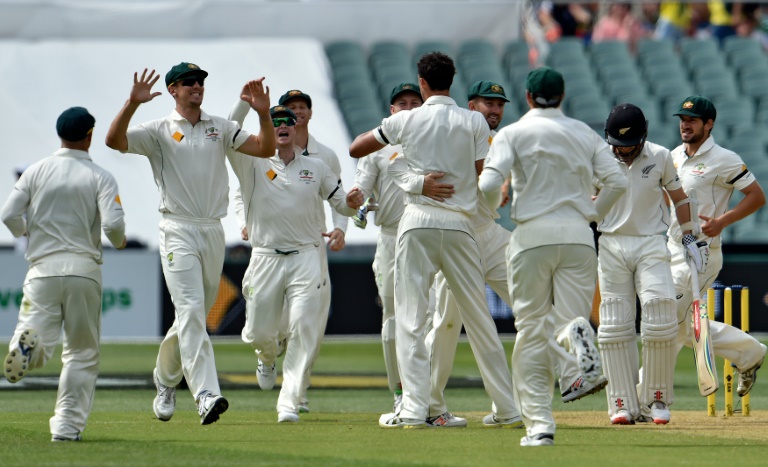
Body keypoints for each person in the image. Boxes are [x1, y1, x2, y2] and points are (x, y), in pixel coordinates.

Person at [403, 80, 605, 428]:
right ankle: (431, 404)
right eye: (487, 104)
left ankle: (572, 372)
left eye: (499, 104)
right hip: (458, 234)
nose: (495, 110)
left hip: (491, 235)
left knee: (536, 307)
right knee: (447, 324)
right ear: (471, 105)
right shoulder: (461, 129)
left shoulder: (508, 136)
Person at [350, 52, 521, 430]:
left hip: (418, 222)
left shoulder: (405, 119)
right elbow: (482, 178)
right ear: (452, 81)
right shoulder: (473, 120)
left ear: (422, 83)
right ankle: (508, 408)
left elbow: (356, 148)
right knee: (478, 318)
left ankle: (413, 408)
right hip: (461, 225)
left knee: (410, 318)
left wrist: (411, 169)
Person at [105, 64, 276, 425]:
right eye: (188, 83)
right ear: (172, 90)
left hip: (212, 230)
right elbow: (114, 141)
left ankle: (164, 380)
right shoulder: (158, 130)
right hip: (177, 228)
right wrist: (132, 103)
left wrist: (263, 113)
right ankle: (205, 394)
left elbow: (264, 148)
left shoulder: (221, 127)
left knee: (190, 315)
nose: (197, 87)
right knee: (193, 310)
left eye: (200, 82)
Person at [478, 66, 628, 446]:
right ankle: (575, 332)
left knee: (530, 330)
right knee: (568, 321)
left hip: (533, 235)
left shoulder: (512, 133)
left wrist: (494, 205)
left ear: (528, 97)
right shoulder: (583, 132)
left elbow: (490, 182)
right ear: (562, 96)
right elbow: (618, 181)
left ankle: (540, 425)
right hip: (578, 236)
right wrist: (594, 213)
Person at [227, 102, 360, 422]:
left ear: (295, 128)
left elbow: (342, 204)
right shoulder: (251, 163)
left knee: (304, 328)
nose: (282, 126)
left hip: (305, 257)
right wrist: (246, 104)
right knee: (259, 333)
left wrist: (353, 204)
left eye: (288, 121)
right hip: (265, 257)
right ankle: (266, 356)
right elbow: (230, 130)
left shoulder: (315, 166)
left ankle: (289, 401)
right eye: (274, 122)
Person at [1, 107, 127, 442]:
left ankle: (26, 346)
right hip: (83, 271)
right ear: (90, 135)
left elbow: (8, 214)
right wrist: (119, 240)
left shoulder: (35, 171)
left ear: (60, 134)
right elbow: (113, 225)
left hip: (41, 269)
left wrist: (27, 231)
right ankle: (66, 427)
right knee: (81, 353)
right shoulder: (100, 175)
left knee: (35, 334)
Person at [597, 103, 699, 426]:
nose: (624, 151)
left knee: (660, 313)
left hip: (651, 242)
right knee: (614, 325)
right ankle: (622, 404)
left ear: (644, 137)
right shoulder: (598, 157)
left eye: (630, 146)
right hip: (611, 243)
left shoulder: (659, 156)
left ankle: (655, 400)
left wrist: (689, 237)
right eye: (619, 145)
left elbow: (680, 198)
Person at [666, 95, 767, 406]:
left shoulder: (725, 159)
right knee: (682, 329)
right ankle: (750, 353)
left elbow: (756, 196)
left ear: (708, 125)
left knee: (666, 322)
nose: (685, 125)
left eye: (693, 120)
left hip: (701, 254)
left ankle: (649, 393)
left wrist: (723, 221)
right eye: (683, 120)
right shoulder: (672, 156)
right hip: (669, 250)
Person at [350, 82, 424, 412]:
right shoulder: (379, 146)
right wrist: (356, 196)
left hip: (427, 234)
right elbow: (362, 186)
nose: (408, 108)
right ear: (392, 110)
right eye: (401, 103)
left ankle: (426, 396)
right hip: (392, 238)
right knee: (393, 319)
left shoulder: (433, 137)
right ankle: (400, 394)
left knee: (429, 319)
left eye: (414, 102)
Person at [278, 89, 347, 413]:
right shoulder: (266, 151)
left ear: (310, 112)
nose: (298, 112)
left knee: (312, 322)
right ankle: (268, 355)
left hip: (311, 246)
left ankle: (298, 390)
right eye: (291, 108)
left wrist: (341, 230)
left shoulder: (326, 155)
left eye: (302, 106)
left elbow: (340, 198)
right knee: (276, 322)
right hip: (273, 246)